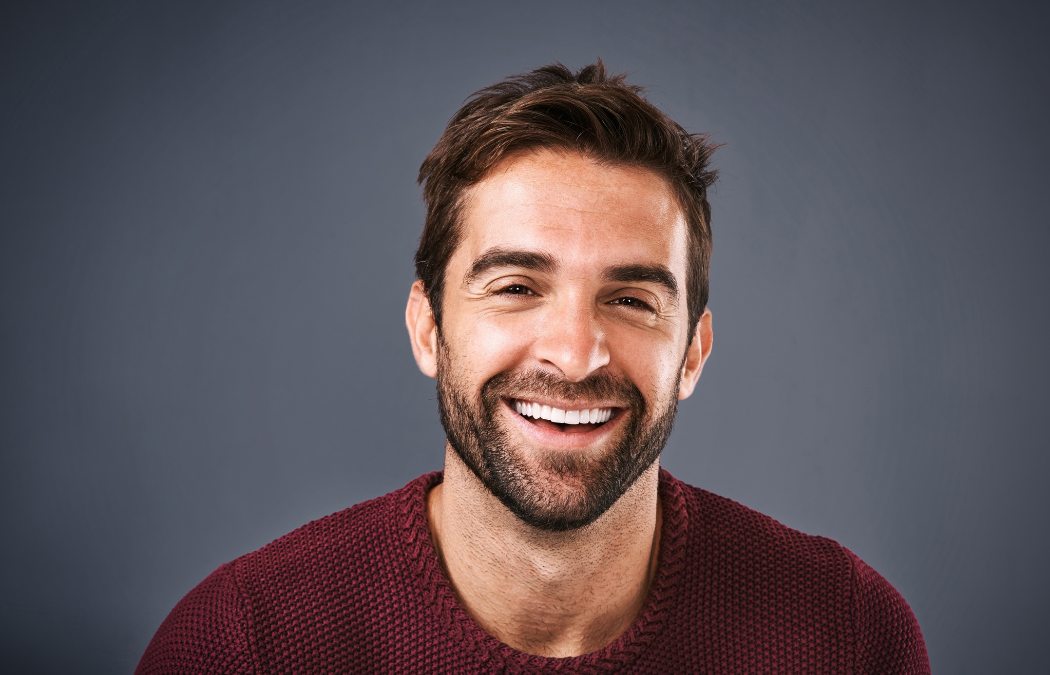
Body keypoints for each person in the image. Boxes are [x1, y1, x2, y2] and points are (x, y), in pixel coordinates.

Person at [136, 61, 930, 674]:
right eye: (516, 288)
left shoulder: (845, 634)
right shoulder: (245, 645)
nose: (574, 353)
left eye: (631, 300)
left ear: (693, 351)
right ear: (428, 328)